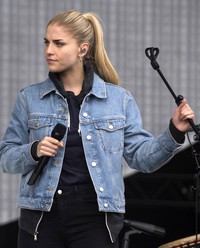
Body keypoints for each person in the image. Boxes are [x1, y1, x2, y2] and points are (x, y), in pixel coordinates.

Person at [0, 10, 194, 248]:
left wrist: (174, 131)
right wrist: (34, 150)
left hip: (95, 218)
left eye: (59, 43)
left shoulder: (119, 100)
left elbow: (142, 159)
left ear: (83, 49)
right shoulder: (29, 98)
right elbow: (6, 158)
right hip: (40, 218)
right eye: (46, 42)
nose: (49, 50)